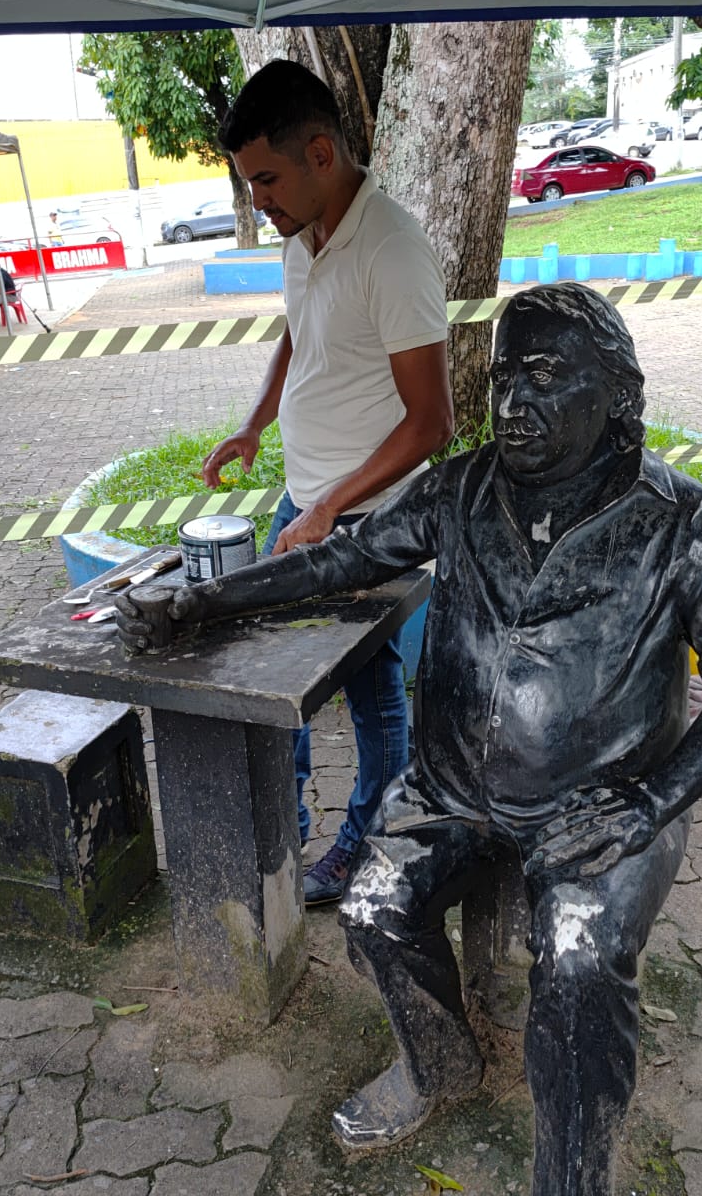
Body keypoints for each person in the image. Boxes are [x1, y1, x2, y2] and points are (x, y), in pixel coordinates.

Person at [115, 283, 702, 1196]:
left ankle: (573, 1173)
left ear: (619, 396)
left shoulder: (683, 522)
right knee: (370, 907)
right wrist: (201, 600)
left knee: (581, 962)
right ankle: (440, 1064)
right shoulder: (461, 488)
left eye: (547, 377)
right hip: (449, 794)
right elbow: (341, 561)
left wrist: (646, 805)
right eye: (505, 376)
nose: (513, 404)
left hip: (605, 807)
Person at [204, 59, 454, 905]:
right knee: (280, 671)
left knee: (376, 695)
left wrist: (333, 506)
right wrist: (254, 422)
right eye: (249, 184)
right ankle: (287, 823)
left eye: (265, 180)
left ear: (320, 153)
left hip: (367, 519)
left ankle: (361, 843)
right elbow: (296, 334)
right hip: (306, 502)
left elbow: (432, 423)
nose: (257, 201)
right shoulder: (301, 236)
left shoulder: (391, 248)